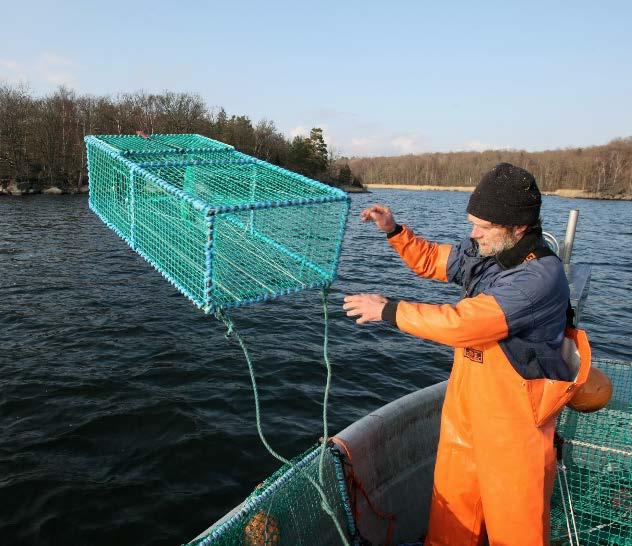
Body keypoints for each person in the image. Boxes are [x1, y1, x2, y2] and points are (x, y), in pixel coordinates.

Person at [343, 163, 591, 546]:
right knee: (451, 522)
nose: (473, 234)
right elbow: (435, 260)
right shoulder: (490, 248)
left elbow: (463, 324)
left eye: (483, 226)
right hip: (466, 414)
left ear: (518, 227)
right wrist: (394, 231)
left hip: (515, 428)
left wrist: (387, 309)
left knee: (518, 531)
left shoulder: (537, 278)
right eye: (473, 222)